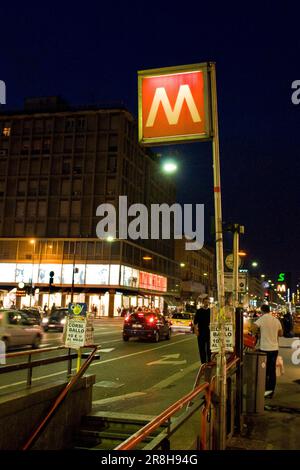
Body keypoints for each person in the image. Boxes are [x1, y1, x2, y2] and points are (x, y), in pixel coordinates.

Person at [252, 304, 283, 398]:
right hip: (274, 349)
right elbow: (281, 333)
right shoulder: (276, 320)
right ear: (269, 310)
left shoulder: (262, 319)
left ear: (262, 311)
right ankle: (270, 392)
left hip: (264, 349)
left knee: (264, 370)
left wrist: (258, 332)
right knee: (272, 370)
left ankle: (264, 390)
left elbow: (253, 328)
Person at [194, 297, 211, 363]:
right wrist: (196, 331)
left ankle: (209, 361)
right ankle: (203, 363)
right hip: (201, 332)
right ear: (203, 302)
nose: (206, 303)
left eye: (208, 302)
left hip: (209, 332)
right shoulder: (199, 311)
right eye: (205, 302)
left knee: (209, 349)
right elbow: (195, 322)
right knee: (201, 348)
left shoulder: (211, 311)